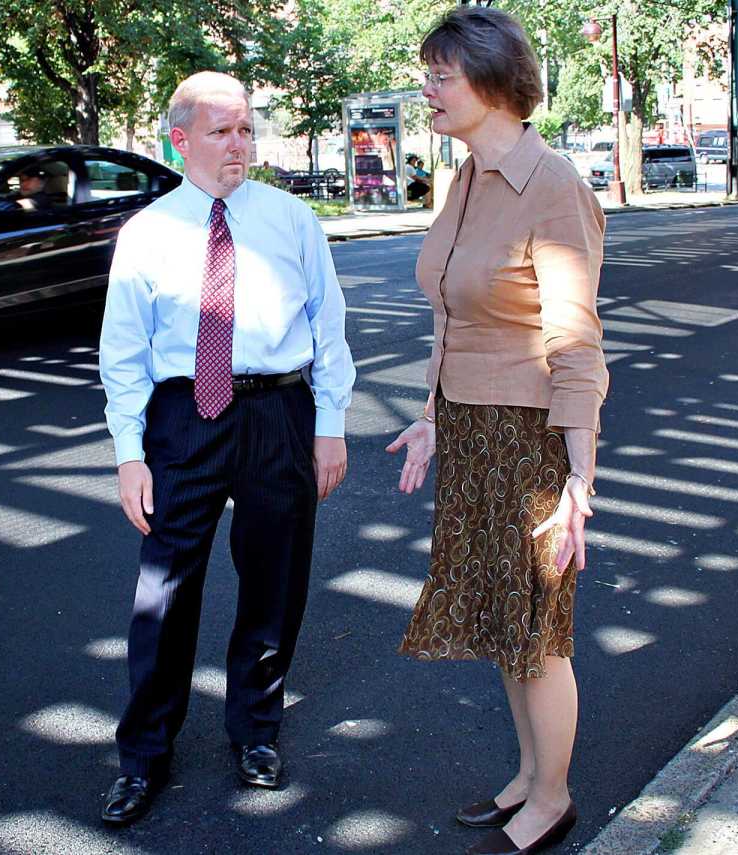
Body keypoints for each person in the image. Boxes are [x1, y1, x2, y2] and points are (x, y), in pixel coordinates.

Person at [97, 71, 355, 826]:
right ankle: (143, 756)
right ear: (180, 139)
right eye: (222, 131)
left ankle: (256, 731)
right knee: (163, 591)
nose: (240, 143)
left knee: (274, 581)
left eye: (246, 128)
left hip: (279, 409)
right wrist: (128, 451)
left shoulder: (292, 219)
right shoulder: (146, 233)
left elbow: (328, 325)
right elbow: (123, 351)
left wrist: (329, 425)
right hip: (184, 418)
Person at [387, 7, 607, 855]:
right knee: (500, 621)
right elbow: (454, 315)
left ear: (491, 81)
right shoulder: (467, 181)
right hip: (474, 433)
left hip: (532, 438)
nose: (428, 88)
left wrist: (579, 481)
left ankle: (553, 798)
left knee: (537, 628)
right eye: (427, 73)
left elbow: (575, 340)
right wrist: (434, 415)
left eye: (441, 74)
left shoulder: (554, 187)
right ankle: (527, 772)